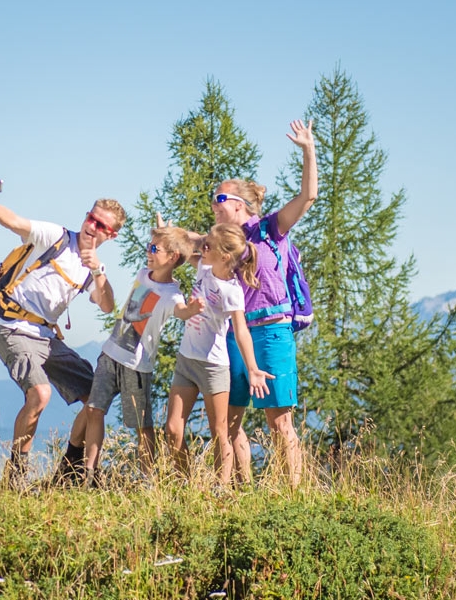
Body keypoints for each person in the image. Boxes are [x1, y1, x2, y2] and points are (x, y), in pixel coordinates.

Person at [0, 176, 123, 486]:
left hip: (44, 336)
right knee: (40, 395)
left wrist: (97, 271)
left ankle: (69, 470)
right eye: (90, 217)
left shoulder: (92, 268)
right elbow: (14, 222)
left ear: (111, 235)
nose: (91, 226)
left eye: (100, 225)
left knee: (99, 394)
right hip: (13, 326)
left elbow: (107, 305)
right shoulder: (56, 237)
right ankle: (15, 476)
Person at [212, 120, 318, 486]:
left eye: (220, 198)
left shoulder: (271, 228)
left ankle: (294, 497)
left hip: (273, 331)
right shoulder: (221, 240)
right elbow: (190, 245)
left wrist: (308, 149)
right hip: (234, 333)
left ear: (240, 205)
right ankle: (241, 490)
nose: (214, 203)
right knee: (228, 421)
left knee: (279, 422)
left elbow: (308, 197)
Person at [54, 217, 195, 485]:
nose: (149, 252)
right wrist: (163, 232)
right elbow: (162, 246)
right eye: (148, 246)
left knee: (141, 427)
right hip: (110, 354)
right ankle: (89, 475)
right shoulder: (143, 273)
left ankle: (148, 480)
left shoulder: (173, 295)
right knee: (94, 410)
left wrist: (193, 310)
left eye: (155, 249)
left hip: (136, 366)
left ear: (173, 257)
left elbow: (182, 311)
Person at [165, 223, 273, 488]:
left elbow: (241, 331)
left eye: (208, 245)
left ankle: (220, 490)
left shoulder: (233, 291)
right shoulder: (203, 266)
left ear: (225, 256)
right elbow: (183, 245)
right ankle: (185, 484)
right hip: (186, 360)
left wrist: (253, 368)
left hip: (214, 367)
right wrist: (165, 235)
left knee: (220, 433)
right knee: (172, 430)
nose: (203, 247)